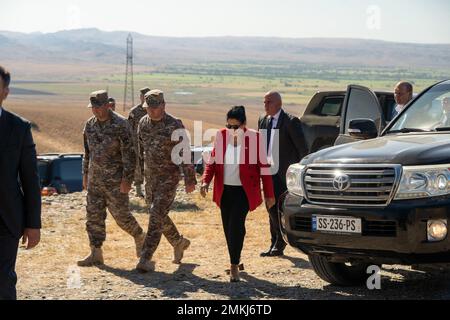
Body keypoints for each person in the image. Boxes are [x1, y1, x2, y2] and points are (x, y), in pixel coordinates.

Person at [201, 106, 275, 282]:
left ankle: (234, 265)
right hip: (225, 190)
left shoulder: (255, 138)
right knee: (228, 228)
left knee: (236, 226)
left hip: (244, 191)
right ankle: (236, 257)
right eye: (229, 126)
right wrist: (205, 181)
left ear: (244, 125)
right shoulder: (221, 136)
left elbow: (264, 168)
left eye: (236, 127)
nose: (232, 130)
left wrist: (269, 194)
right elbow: (211, 162)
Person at [78, 90, 146, 267]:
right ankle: (95, 252)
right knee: (93, 217)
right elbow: (87, 153)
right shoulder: (89, 125)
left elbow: (130, 155)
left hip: (116, 181)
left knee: (121, 217)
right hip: (95, 180)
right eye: (93, 107)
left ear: (107, 105)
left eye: (99, 107)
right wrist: (85, 174)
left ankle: (139, 235)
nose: (96, 111)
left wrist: (127, 180)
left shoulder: (121, 124)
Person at [136, 89, 197, 273]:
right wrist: (137, 176)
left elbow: (185, 153)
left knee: (156, 214)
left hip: (168, 178)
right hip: (150, 178)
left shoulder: (174, 125)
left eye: (155, 107)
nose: (152, 111)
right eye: (148, 108)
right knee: (158, 215)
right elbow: (140, 151)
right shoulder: (143, 123)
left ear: (163, 105)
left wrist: (189, 179)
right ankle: (178, 242)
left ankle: (145, 257)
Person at [0, 65, 42, 300]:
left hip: (5, 220)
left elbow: (30, 178)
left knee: (3, 280)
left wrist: (33, 223)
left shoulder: (19, 128)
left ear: (6, 91)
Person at [258, 91, 307, 257]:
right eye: (264, 102)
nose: (265, 105)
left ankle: (280, 242)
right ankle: (275, 241)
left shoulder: (291, 122)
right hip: (268, 171)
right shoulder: (263, 121)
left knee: (280, 208)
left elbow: (302, 149)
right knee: (270, 207)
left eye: (268, 102)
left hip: (284, 173)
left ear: (278, 103)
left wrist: (299, 173)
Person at [128, 87, 151, 198]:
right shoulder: (134, 111)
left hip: (150, 144)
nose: (144, 98)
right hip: (136, 144)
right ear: (140, 97)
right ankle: (138, 190)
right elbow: (128, 128)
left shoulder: (153, 109)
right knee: (137, 166)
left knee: (150, 166)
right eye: (143, 96)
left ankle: (150, 189)